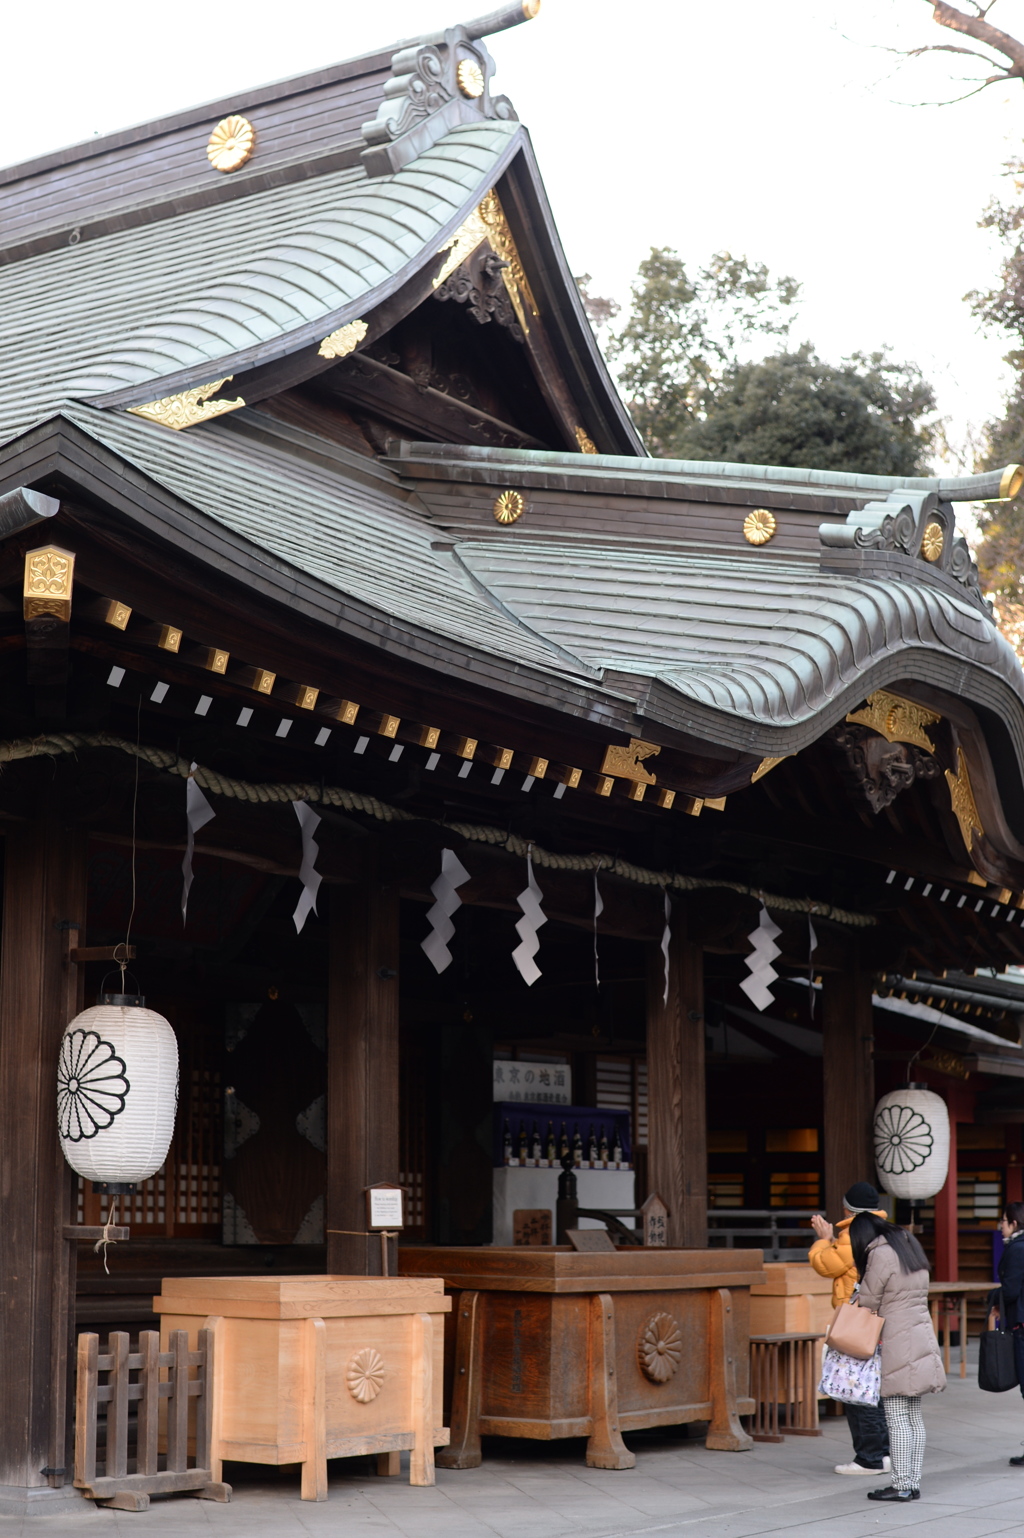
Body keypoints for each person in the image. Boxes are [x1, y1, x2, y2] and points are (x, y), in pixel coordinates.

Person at [850, 1211, 945, 1502]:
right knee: (913, 1415)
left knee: (895, 1416)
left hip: (897, 1340)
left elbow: (867, 1300)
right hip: (920, 1335)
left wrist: (856, 1292)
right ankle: (912, 1482)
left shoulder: (880, 1253)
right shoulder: (908, 1246)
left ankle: (901, 1484)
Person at [809, 1181, 891, 1476]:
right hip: (880, 1320)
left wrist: (823, 1238)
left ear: (847, 1208)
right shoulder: (887, 1231)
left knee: (857, 1388)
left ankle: (868, 1458)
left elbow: (824, 1265)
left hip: (857, 1321)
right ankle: (883, 1454)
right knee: (874, 1389)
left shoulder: (852, 1234)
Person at [997, 1201, 1024, 1465]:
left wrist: (995, 1300)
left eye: (1003, 1222)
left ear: (1014, 1223)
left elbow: (1011, 1289)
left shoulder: (1017, 1249)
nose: (1000, 1228)